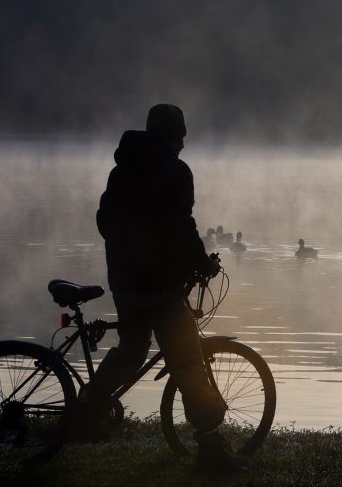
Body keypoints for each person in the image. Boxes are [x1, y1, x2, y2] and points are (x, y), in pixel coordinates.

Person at [79, 104, 240, 473]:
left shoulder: (121, 171)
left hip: (125, 284)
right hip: (162, 288)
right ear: (171, 136)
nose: (183, 143)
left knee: (131, 350)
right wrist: (200, 263)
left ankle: (86, 408)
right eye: (180, 135)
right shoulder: (175, 172)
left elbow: (105, 222)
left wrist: (128, 255)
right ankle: (212, 451)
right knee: (187, 362)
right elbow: (181, 226)